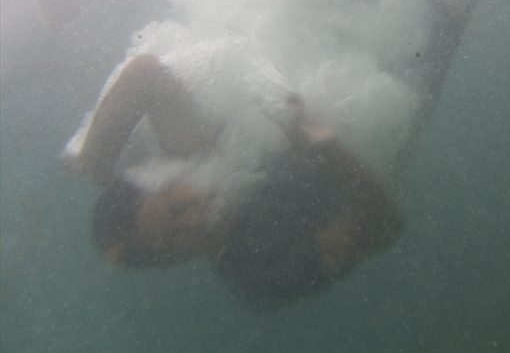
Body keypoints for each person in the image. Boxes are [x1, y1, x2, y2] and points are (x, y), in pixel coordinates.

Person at [68, 54, 405, 312]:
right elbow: (384, 226)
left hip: (343, 58)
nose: (194, 221)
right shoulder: (258, 275)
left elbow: (145, 73)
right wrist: (324, 144)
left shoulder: (194, 153)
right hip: (389, 126)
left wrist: (96, 164)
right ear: (169, 263)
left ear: (165, 178)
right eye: (175, 242)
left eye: (176, 209)